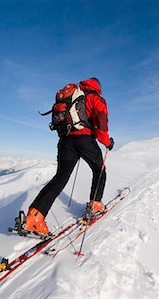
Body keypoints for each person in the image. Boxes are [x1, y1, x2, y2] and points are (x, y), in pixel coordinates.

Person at [24, 77, 114, 236]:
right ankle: (95, 204)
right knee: (99, 170)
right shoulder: (94, 97)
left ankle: (34, 217)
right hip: (85, 140)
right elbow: (101, 123)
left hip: (65, 142)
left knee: (60, 177)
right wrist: (107, 142)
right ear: (98, 87)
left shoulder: (74, 96)